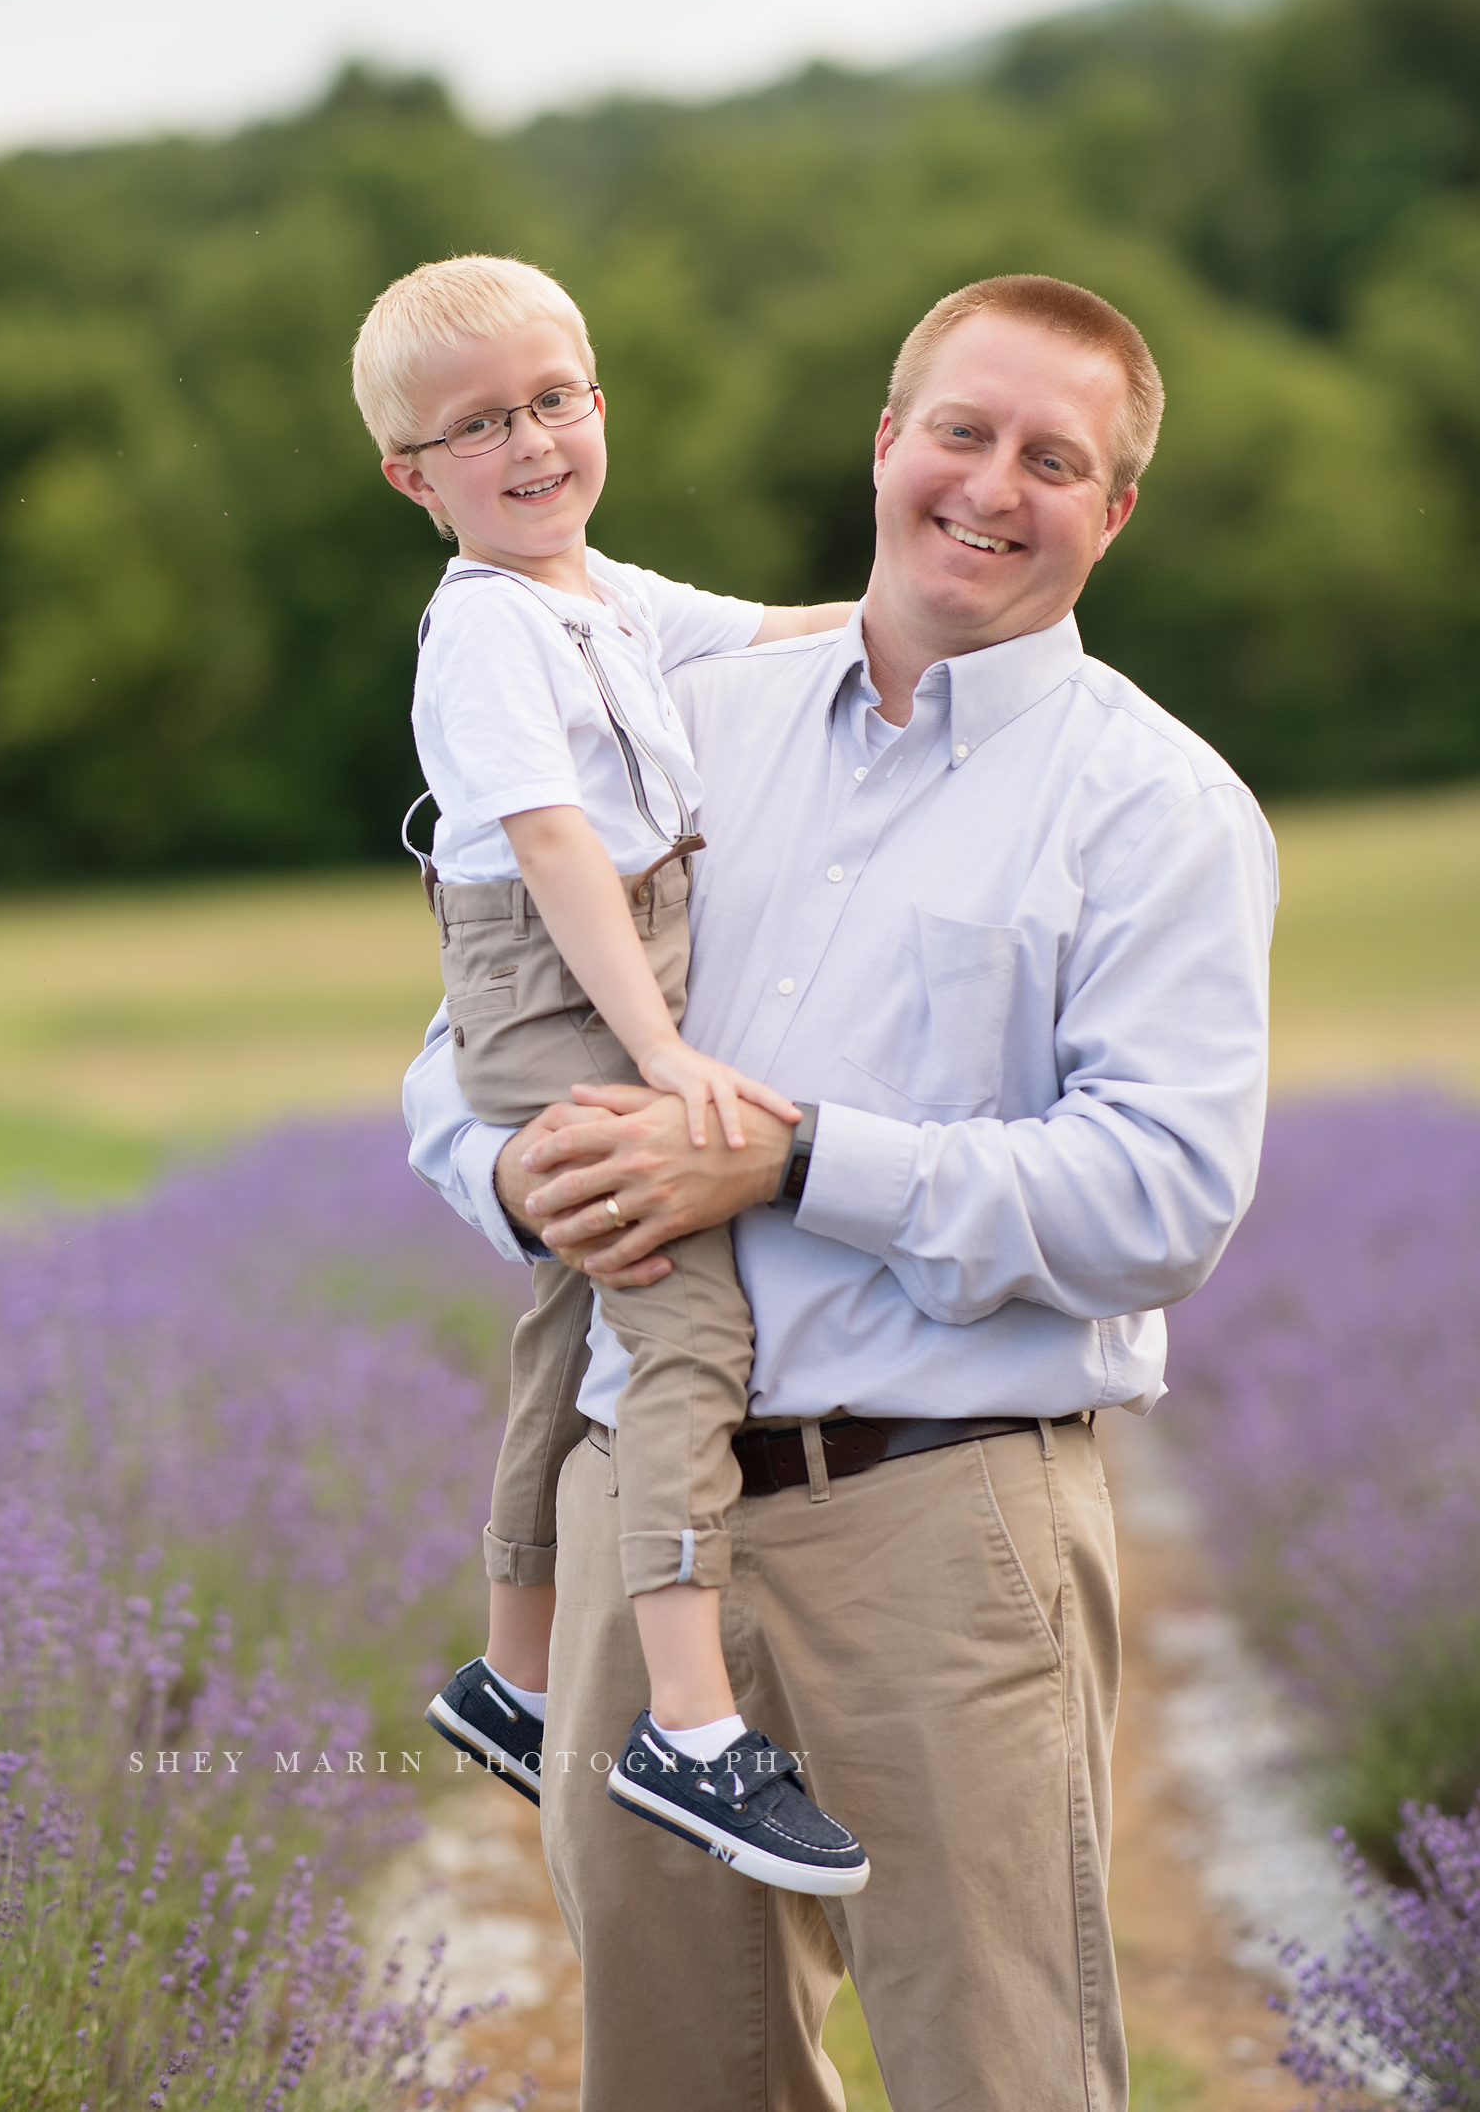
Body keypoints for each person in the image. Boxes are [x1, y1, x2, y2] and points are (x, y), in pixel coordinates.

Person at [405, 272, 1278, 2110]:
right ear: (887, 443)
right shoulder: (687, 708)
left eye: (1057, 458)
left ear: (1112, 513)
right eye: (961, 429)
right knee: (676, 2078)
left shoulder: (1157, 805)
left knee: (1000, 2073)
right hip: (644, 1500)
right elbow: (473, 1020)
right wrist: (505, 1161)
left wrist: (799, 1156)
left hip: (946, 1532)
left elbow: (1164, 1193)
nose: (993, 482)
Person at [352, 254, 869, 1895]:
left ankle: (514, 1674)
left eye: (552, 400)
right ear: (410, 474)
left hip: (594, 962)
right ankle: (692, 1726)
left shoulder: (598, 590)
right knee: (685, 1320)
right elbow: (558, 844)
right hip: (569, 974)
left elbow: (789, 628)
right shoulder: (489, 627)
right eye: (477, 426)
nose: (528, 442)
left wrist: (938, 612)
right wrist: (657, 1049)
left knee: (574, 1308)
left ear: (598, 400)